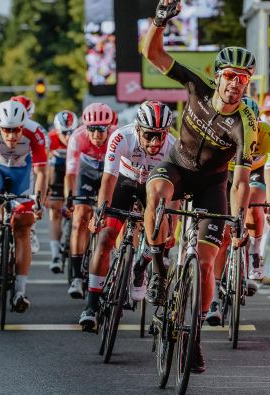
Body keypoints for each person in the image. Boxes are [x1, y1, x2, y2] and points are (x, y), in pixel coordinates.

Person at [141, 0, 257, 373]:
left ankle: (194, 336)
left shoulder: (244, 124)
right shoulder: (197, 86)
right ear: (218, 75)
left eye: (244, 78)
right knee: (157, 194)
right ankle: (157, 267)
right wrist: (160, 20)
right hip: (177, 167)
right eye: (230, 76)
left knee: (206, 263)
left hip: (212, 185)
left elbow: (240, 180)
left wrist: (237, 220)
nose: (236, 84)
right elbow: (154, 54)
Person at [79, 100, 176, 331]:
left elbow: (173, 196)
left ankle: (141, 266)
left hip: (152, 186)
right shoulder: (121, 137)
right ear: (138, 128)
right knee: (106, 238)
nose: (155, 142)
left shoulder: (173, 146)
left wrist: (172, 225)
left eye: (160, 135)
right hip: (123, 182)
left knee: (160, 232)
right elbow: (108, 180)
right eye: (150, 135)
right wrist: (101, 212)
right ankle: (91, 306)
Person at [207, 97, 270, 325]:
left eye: (253, 124)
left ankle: (255, 251)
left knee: (253, 205)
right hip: (227, 176)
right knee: (223, 237)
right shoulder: (222, 132)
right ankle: (214, 299)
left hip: (255, 174)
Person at [0, 100, 47, 313]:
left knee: (22, 226)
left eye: (16, 131)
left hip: (23, 175)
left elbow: (42, 172)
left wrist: (39, 200)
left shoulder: (36, 132)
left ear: (24, 126)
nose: (12, 136)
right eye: (7, 131)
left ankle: (20, 292)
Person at [64, 103, 115, 298]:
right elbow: (71, 173)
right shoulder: (77, 138)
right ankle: (77, 277)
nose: (96, 134)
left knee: (112, 220)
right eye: (92, 129)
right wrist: (70, 198)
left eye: (101, 129)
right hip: (86, 174)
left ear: (108, 127)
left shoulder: (115, 137)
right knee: (79, 220)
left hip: (109, 175)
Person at [11, 95, 47, 255]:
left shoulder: (36, 129)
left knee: (32, 200)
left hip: (28, 167)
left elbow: (46, 160)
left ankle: (31, 230)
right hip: (5, 166)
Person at [47, 110, 78, 273]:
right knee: (55, 211)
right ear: (57, 131)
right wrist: (44, 192)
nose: (68, 137)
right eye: (64, 133)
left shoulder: (80, 137)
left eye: (71, 132)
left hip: (75, 174)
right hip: (57, 176)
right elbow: (42, 169)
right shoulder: (50, 139)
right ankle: (55, 255)